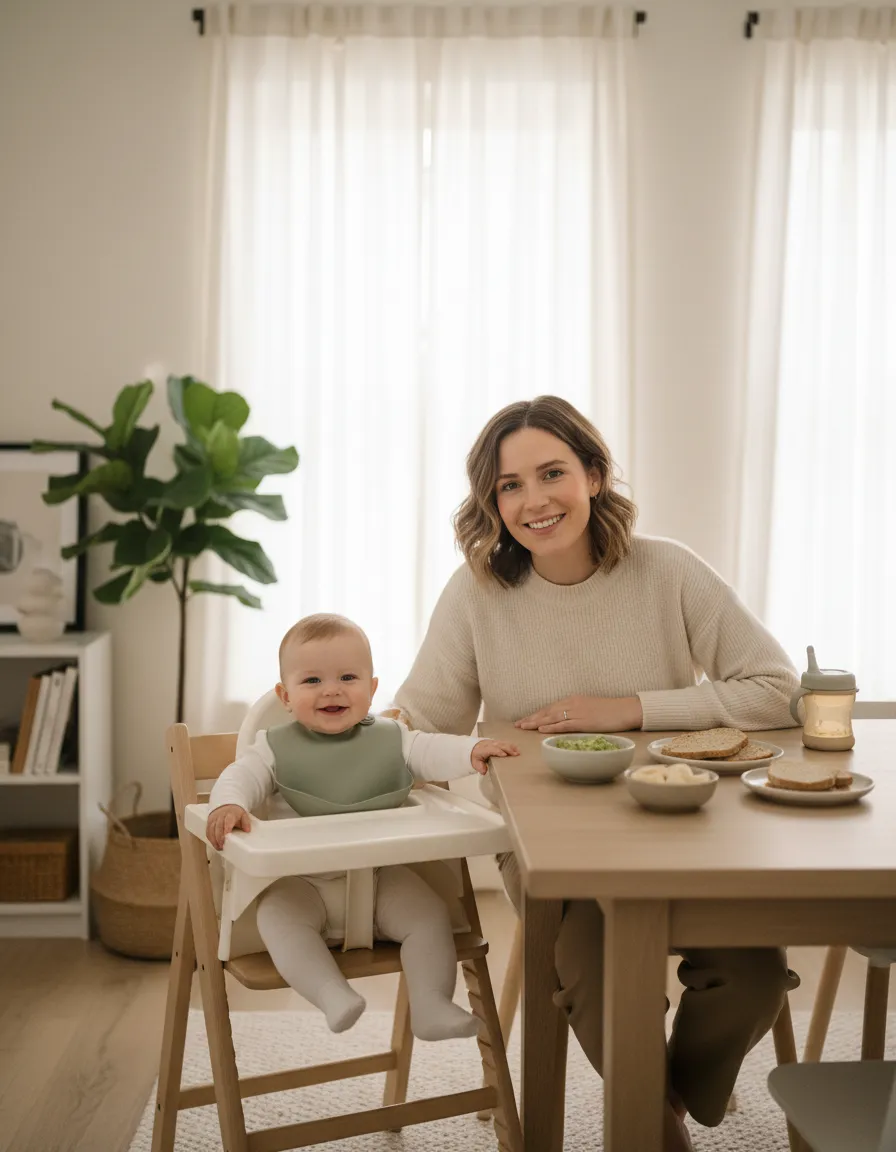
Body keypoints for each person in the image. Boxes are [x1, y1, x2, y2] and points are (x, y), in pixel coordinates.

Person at [394, 395, 800, 1151]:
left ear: (593, 472)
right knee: (597, 976)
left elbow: (776, 689)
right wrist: (319, 729)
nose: (534, 500)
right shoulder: (478, 592)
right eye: (509, 485)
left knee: (755, 980)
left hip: (688, 836)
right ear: (492, 501)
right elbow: (423, 719)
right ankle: (658, 1133)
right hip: (560, 858)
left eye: (552, 472)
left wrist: (628, 710)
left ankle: (665, 1103)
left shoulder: (668, 571)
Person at [206, 612, 519, 1041]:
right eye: (312, 681)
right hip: (302, 883)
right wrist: (228, 803)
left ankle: (431, 1005)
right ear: (285, 695)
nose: (331, 689)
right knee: (276, 918)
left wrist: (471, 752)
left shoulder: (393, 738)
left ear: (371, 689)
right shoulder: (274, 749)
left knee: (429, 917)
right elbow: (240, 776)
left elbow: (431, 751)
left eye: (348, 677)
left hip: (378, 880)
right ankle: (331, 993)